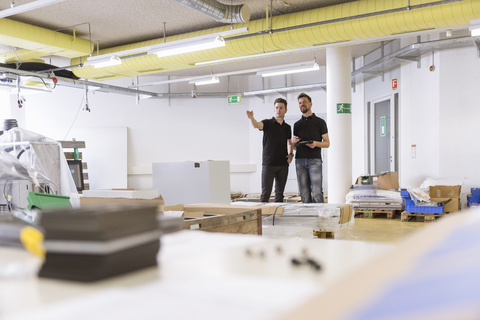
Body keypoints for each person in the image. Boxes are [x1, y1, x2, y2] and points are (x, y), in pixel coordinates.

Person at [246, 98, 293, 203]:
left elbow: (289, 142)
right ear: (274, 109)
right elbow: (256, 125)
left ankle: (277, 218)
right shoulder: (267, 123)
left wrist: (291, 154)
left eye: (281, 108)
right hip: (268, 164)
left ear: (285, 110)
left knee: (279, 194)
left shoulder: (287, 127)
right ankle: (262, 218)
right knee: (265, 193)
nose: (278, 110)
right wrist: (251, 118)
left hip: (283, 165)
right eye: (276, 108)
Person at [292, 93, 330, 203]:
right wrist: (294, 143)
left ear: (310, 104)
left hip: (315, 161)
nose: (302, 104)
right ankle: (308, 217)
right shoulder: (297, 124)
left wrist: (316, 144)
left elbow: (327, 143)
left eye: (304, 102)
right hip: (299, 161)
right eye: (300, 103)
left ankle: (320, 218)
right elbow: (295, 148)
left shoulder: (320, 122)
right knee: (304, 193)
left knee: (317, 192)